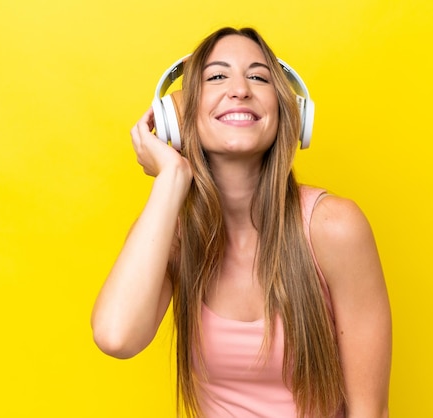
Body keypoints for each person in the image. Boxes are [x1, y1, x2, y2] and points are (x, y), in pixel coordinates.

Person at [91, 27, 392, 418]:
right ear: (177, 115)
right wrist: (171, 178)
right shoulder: (172, 233)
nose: (240, 90)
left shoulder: (333, 227)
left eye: (258, 77)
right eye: (217, 76)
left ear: (289, 112)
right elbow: (116, 337)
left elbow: (370, 411)